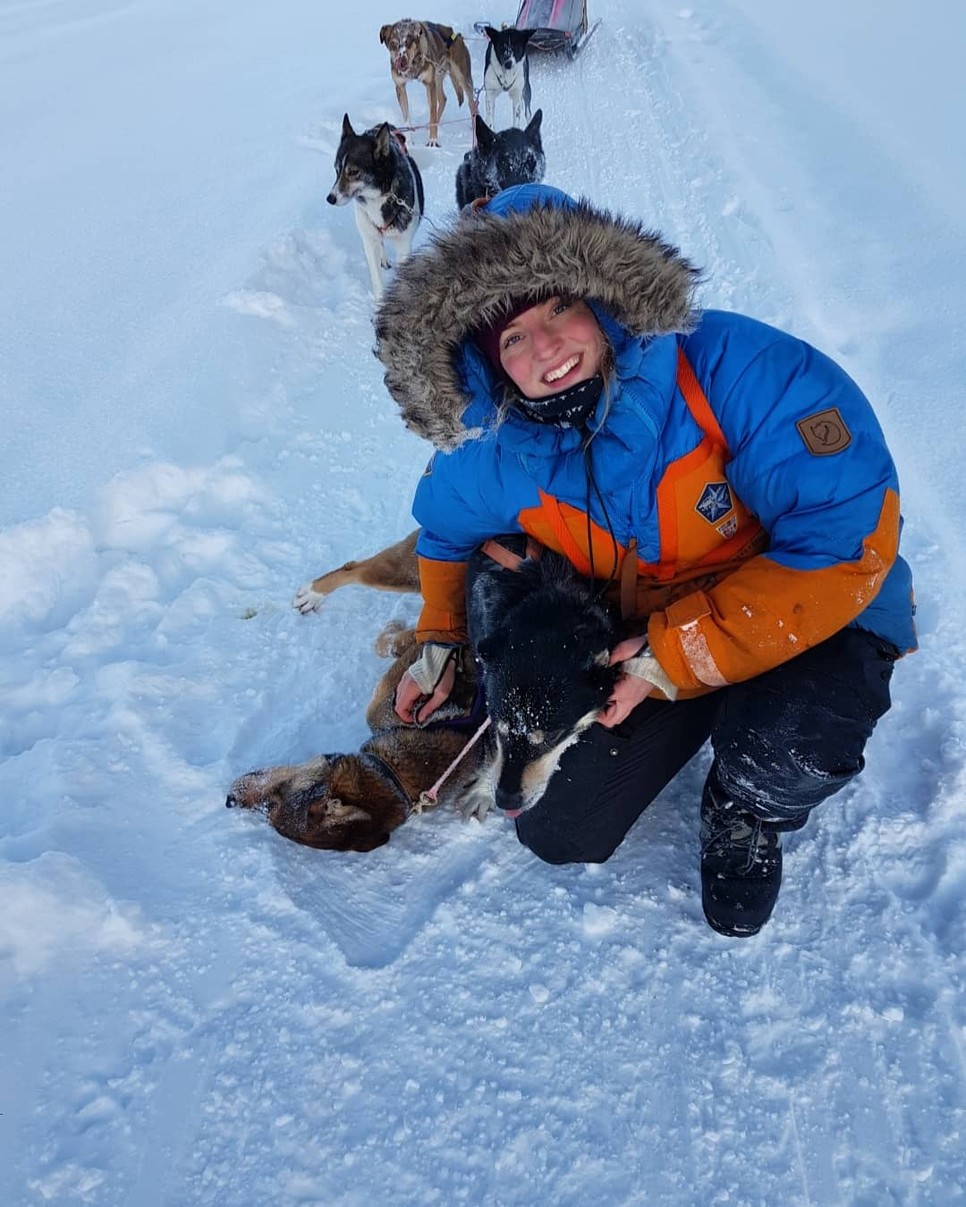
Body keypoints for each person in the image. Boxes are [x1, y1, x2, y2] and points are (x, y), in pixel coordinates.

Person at [372, 184, 917, 938]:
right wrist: (439, 636)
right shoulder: (499, 448)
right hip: (649, 633)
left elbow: (843, 536)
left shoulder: (740, 370)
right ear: (488, 368)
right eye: (514, 338)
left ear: (601, 298)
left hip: (818, 609)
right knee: (560, 831)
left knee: (797, 736)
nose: (548, 349)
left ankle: (745, 805)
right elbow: (442, 528)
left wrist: (675, 653)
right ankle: (693, 707)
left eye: (558, 308)